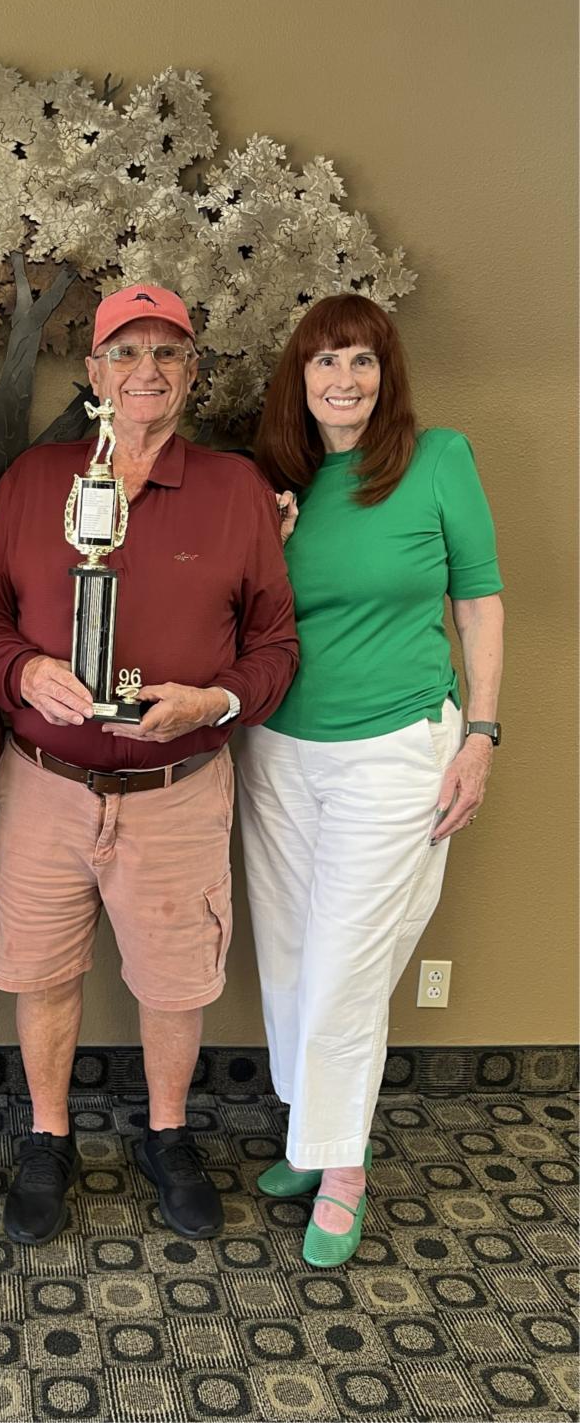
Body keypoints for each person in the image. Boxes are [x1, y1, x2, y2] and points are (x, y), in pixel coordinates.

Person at [0, 284, 298, 1245]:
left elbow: (275, 644)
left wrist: (215, 701)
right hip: (46, 783)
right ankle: (48, 1134)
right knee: (42, 970)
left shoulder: (236, 490)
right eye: (125, 351)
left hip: (177, 789)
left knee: (174, 981)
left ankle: (167, 1132)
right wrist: (24, 670)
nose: (145, 369)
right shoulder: (36, 480)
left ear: (193, 372)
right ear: (93, 371)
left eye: (167, 351)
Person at [241, 292, 504, 1267]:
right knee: (287, 957)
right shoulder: (274, 482)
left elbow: (479, 602)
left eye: (362, 360)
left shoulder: (438, 460)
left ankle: (341, 1168)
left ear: (386, 374)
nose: (344, 379)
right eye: (325, 362)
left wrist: (481, 735)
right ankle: (313, 1137)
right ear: (299, 379)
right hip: (277, 750)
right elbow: (237, 615)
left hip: (397, 748)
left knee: (347, 964)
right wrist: (267, 541)